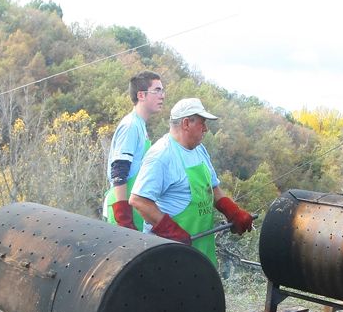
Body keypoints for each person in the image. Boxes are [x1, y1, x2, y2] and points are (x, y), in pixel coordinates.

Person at [129, 97, 254, 265]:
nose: (206, 129)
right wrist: (171, 231)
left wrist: (233, 212)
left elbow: (213, 188)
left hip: (201, 253)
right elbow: (139, 200)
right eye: (202, 123)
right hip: (168, 256)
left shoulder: (199, 150)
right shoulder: (161, 155)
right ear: (186, 123)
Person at [104, 71, 166, 230]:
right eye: (157, 90)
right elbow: (118, 171)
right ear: (141, 95)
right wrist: (123, 215)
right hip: (123, 210)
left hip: (134, 209)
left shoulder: (140, 125)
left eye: (162, 90)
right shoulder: (130, 125)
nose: (162, 95)